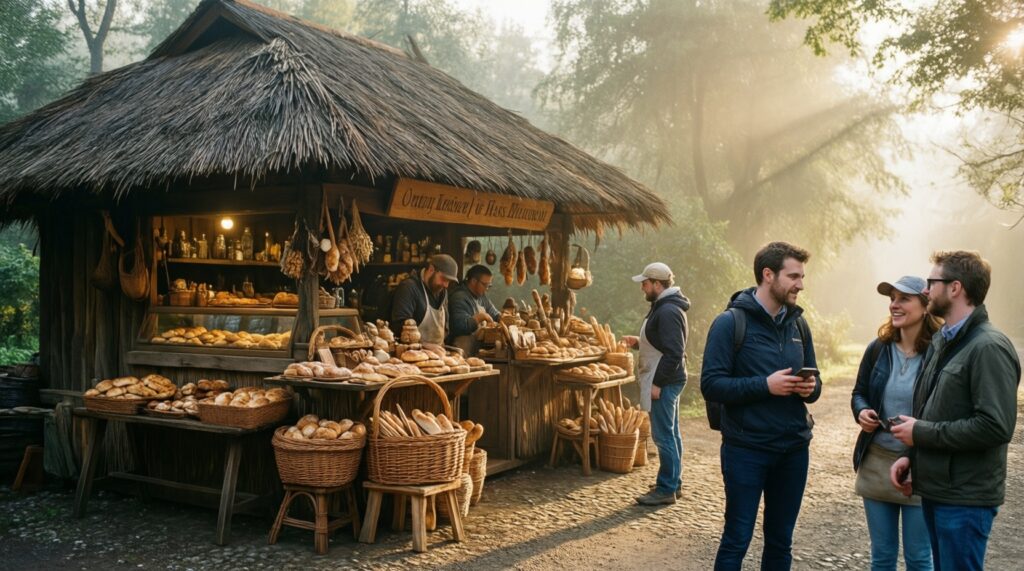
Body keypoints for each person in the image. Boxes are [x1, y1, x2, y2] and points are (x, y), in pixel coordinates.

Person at [889, 251, 1020, 571]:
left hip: (966, 500)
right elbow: (935, 411)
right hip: (938, 490)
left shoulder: (989, 347)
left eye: (932, 282)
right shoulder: (942, 341)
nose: (926, 290)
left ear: (955, 288)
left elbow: (995, 426)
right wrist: (912, 456)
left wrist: (920, 433)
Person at [700, 241, 822, 571]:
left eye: (801, 276)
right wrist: (765, 385)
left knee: (781, 541)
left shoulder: (799, 324)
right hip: (746, 450)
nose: (800, 284)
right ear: (768, 275)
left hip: (794, 450)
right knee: (737, 538)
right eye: (793, 276)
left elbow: (815, 380)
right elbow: (710, 384)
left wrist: (810, 388)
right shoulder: (730, 323)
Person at [851, 276, 940, 571]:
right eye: (892, 298)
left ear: (925, 306)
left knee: (918, 558)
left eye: (904, 299)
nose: (895, 305)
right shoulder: (878, 348)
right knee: (882, 557)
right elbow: (859, 392)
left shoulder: (940, 354)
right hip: (875, 463)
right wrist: (862, 411)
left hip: (919, 466)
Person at [622, 262, 689, 506]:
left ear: (658, 285)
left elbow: (674, 352)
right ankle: (674, 482)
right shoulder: (663, 306)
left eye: (646, 283)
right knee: (672, 434)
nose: (643, 287)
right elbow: (661, 343)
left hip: (666, 381)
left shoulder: (668, 311)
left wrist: (658, 384)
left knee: (663, 436)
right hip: (669, 379)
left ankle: (666, 489)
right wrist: (639, 342)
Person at [390, 254, 459, 345]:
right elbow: (399, 328)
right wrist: (425, 346)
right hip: (413, 354)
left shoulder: (442, 291)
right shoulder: (409, 288)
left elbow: (445, 328)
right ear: (431, 269)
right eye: (443, 279)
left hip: (439, 353)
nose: (446, 285)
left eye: (449, 281)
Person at [447, 264, 501, 355]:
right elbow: (458, 326)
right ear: (473, 281)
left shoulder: (481, 296)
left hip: (476, 348)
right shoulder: (459, 297)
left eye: (489, 286)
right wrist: (481, 317)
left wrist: (503, 318)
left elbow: (493, 312)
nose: (486, 289)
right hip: (461, 350)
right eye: (485, 285)